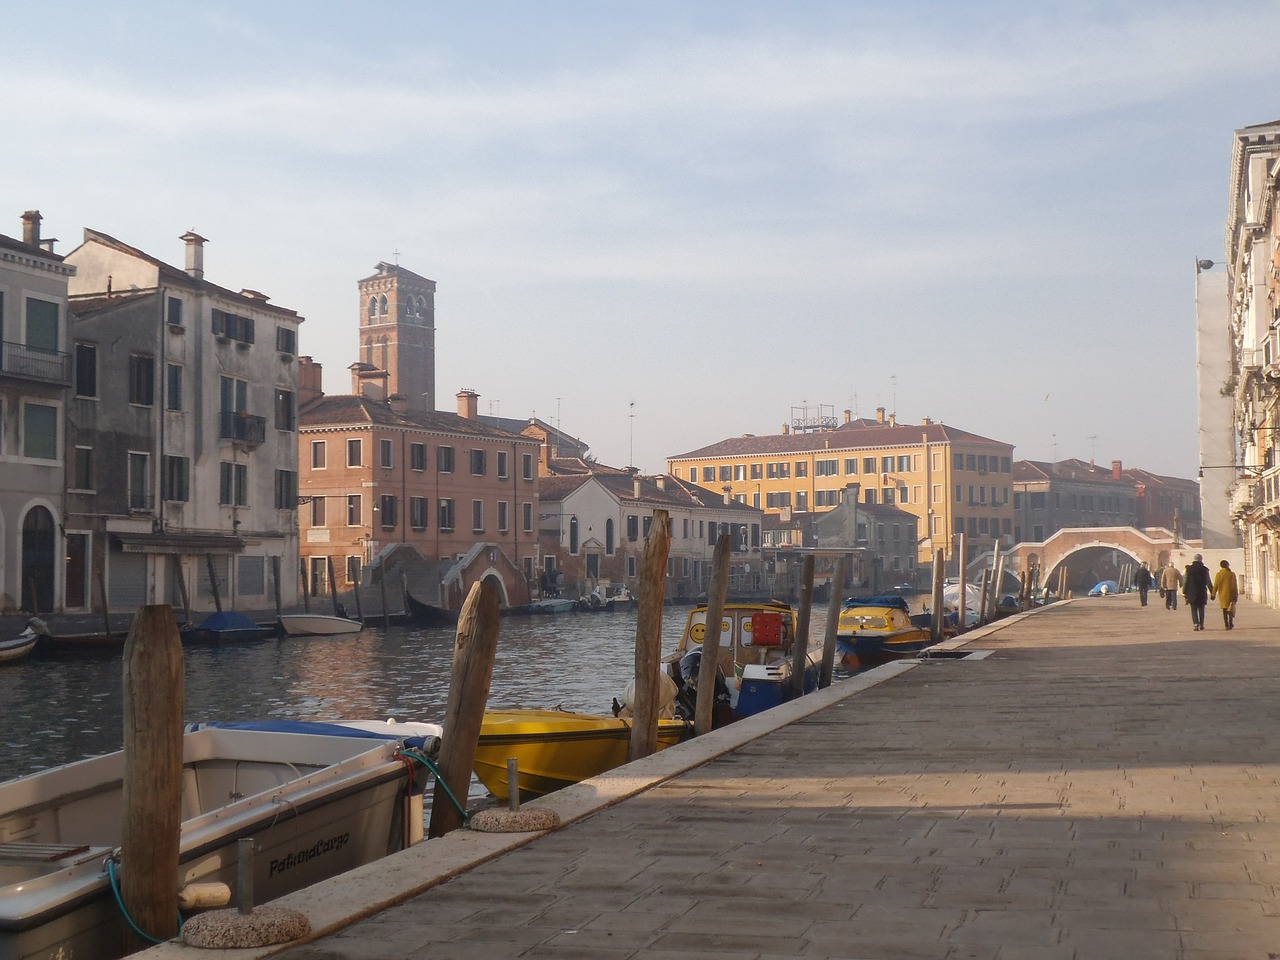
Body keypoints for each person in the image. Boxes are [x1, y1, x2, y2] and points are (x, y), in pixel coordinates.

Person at [1183, 554, 1212, 631]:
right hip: (1202, 591)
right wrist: (1212, 592)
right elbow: (1208, 582)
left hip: (1192, 592)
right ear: (1201, 560)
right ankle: (1202, 624)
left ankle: (1196, 624)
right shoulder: (1205, 570)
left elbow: (1186, 581)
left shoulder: (1189, 569)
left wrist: (1184, 591)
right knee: (1201, 609)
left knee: (1193, 609)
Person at [1211, 559, 1239, 630]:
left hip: (1222, 595)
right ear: (1227, 565)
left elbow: (1216, 585)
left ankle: (1226, 624)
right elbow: (1234, 585)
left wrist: (1213, 594)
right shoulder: (1232, 574)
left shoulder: (1219, 574)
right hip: (1231, 594)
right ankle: (1230, 622)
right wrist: (1236, 595)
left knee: (1224, 610)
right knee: (1231, 609)